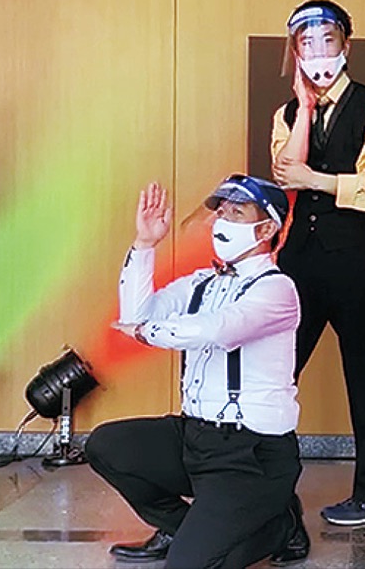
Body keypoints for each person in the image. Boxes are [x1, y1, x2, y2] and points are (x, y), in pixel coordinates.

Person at [88, 176, 310, 567]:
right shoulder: (202, 283)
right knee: (106, 446)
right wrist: (145, 244)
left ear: (267, 229)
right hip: (195, 436)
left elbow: (219, 330)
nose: (222, 220)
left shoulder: (278, 290)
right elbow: (137, 313)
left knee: (192, 565)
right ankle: (181, 526)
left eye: (237, 212)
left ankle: (281, 525)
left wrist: (145, 332)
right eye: (221, 211)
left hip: (252, 454)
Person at [270, 0, 365, 526]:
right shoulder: (287, 114)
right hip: (298, 260)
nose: (317, 52)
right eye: (306, 44)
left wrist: (319, 181)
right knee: (275, 369)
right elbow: (286, 171)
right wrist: (306, 109)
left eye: (327, 40)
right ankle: (258, 483)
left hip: (353, 258)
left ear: (346, 45)